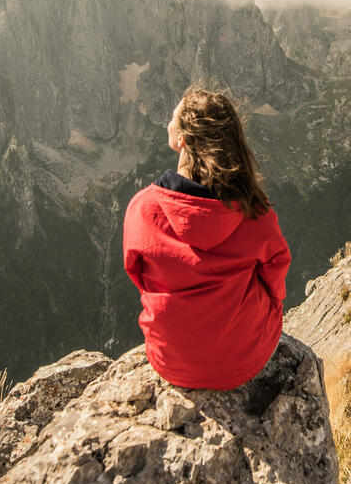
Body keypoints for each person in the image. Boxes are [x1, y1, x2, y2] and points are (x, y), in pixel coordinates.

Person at [122, 86, 291, 390]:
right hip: (246, 357)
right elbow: (275, 275)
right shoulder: (254, 212)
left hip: (172, 362)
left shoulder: (144, 208)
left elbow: (137, 274)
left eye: (173, 116)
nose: (167, 121)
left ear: (182, 139)